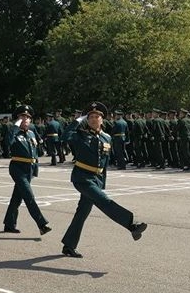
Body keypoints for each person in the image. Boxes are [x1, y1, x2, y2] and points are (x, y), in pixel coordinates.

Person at [60, 101, 147, 258]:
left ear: (102, 119)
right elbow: (64, 137)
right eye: (91, 117)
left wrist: (102, 183)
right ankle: (131, 225)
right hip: (82, 178)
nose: (94, 119)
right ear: (87, 120)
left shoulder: (107, 138)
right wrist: (77, 121)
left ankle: (69, 245)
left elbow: (104, 164)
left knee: (82, 213)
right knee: (104, 201)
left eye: (97, 117)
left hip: (97, 179)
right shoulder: (80, 135)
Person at [3, 105, 51, 235]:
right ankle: (41, 224)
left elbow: (35, 152)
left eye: (28, 118)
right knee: (29, 196)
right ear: (17, 119)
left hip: (29, 169)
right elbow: (7, 143)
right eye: (22, 117)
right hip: (17, 168)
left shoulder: (31, 133)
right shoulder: (13, 132)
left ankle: (9, 223)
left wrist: (35, 169)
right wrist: (15, 126)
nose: (25, 120)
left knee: (17, 198)